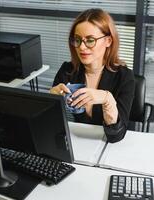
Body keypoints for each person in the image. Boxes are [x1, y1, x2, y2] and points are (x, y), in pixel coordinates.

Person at [50, 8, 135, 143]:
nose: (82, 47)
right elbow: (50, 124)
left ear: (108, 41)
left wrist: (107, 99)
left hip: (108, 146)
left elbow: (116, 136)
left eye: (90, 40)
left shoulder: (124, 77)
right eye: (77, 40)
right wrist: (51, 101)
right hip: (78, 142)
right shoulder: (67, 70)